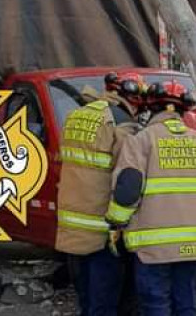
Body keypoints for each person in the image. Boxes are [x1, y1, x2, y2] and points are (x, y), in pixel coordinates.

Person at [107, 80, 196, 316]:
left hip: (153, 245)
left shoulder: (142, 140)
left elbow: (128, 189)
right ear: (183, 111)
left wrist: (116, 222)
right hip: (193, 243)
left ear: (151, 109)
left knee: (156, 304)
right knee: (187, 302)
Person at [56, 72, 145, 316]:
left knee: (85, 293)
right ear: (132, 97)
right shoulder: (121, 124)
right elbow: (128, 174)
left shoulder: (77, 115)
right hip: (101, 224)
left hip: (72, 220)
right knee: (104, 298)